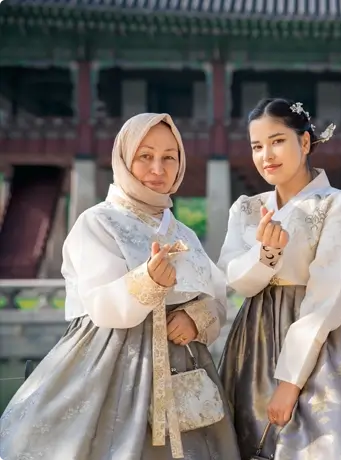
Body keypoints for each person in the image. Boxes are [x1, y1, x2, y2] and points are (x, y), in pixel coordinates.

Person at [0, 113, 240, 459]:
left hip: (184, 371)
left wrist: (195, 318)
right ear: (124, 159)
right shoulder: (98, 223)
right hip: (111, 364)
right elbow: (101, 306)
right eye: (145, 156)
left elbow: (216, 297)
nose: (158, 168)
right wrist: (149, 281)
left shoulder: (184, 234)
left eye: (169, 157)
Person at [217, 98, 341, 459]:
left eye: (277, 141)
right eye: (257, 146)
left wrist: (289, 380)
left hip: (326, 341)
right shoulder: (247, 208)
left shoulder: (338, 206)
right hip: (254, 344)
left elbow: (328, 294)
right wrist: (265, 255)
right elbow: (238, 281)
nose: (266, 154)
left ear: (304, 143)